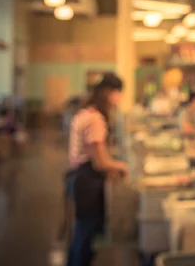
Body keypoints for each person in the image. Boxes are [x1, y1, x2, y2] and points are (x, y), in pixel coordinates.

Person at [67, 73, 128, 266]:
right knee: (85, 235)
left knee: (81, 235)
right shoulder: (95, 120)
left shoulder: (86, 112)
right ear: (108, 93)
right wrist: (123, 166)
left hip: (80, 177)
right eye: (118, 93)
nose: (119, 99)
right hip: (88, 181)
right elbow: (100, 162)